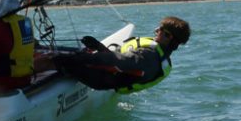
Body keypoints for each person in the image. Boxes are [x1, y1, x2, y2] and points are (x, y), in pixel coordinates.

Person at [52, 16, 191, 93]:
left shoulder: (149, 57)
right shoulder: (157, 53)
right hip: (110, 74)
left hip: (101, 79)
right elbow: (121, 61)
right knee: (67, 55)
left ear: (168, 36)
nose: (156, 31)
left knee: (56, 59)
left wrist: (79, 58)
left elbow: (117, 62)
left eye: (159, 30)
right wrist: (100, 47)